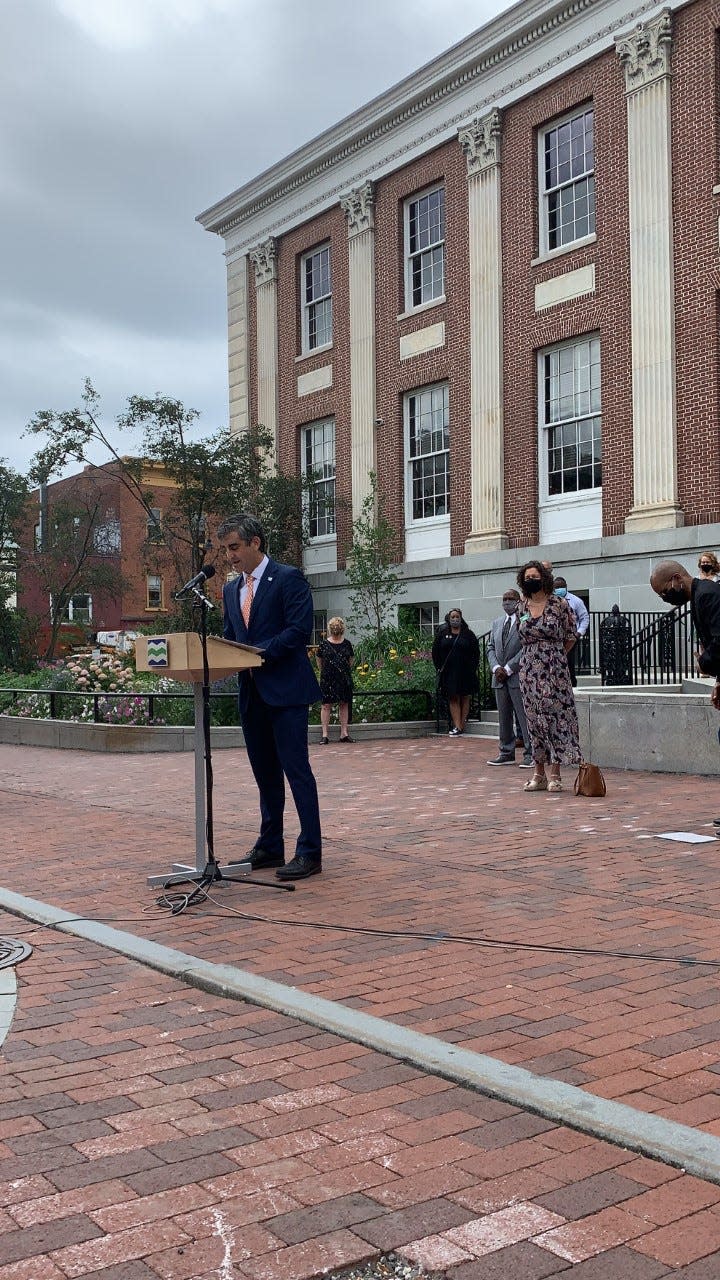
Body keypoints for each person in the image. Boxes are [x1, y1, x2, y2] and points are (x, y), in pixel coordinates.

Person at [217, 513, 323, 881]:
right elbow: (230, 634)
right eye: (225, 549)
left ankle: (310, 851)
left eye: (234, 547)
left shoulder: (288, 578)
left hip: (287, 692)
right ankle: (270, 845)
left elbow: (298, 631)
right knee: (264, 773)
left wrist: (256, 653)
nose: (229, 556)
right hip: (252, 694)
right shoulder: (231, 590)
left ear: (255, 543)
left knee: (297, 772)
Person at [516, 560, 582, 793]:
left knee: (556, 720)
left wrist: (556, 655)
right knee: (534, 721)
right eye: (526, 577)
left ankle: (556, 774)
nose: (530, 580)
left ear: (543, 578)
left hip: (554, 670)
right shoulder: (521, 606)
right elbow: (520, 635)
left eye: (534, 576)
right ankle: (538, 773)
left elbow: (571, 634)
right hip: (529, 671)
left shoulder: (559, 604)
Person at [486, 588, 532, 766]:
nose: (507, 602)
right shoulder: (497, 622)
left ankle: (530, 753)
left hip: (516, 676)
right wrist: (496, 667)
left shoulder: (525, 620)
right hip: (499, 678)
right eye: (504, 599)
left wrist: (508, 668)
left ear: (519, 601)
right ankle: (506, 751)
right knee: (504, 717)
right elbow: (490, 647)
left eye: (510, 599)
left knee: (523, 717)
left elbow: (527, 646)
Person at [432, 608, 480, 735]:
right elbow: (435, 652)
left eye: (457, 617)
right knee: (453, 698)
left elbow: (476, 653)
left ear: (461, 618)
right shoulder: (442, 634)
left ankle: (461, 725)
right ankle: (457, 726)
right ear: (448, 618)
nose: (455, 619)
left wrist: (472, 668)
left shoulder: (468, 634)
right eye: (452, 617)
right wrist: (438, 667)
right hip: (449, 673)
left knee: (465, 697)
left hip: (465, 672)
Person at [316, 617, 354, 743]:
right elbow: (350, 663)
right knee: (330, 705)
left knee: (339, 704)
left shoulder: (345, 644)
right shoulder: (325, 645)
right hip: (331, 678)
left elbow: (319, 663)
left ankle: (339, 733)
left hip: (337, 678)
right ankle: (330, 734)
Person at [553, 576, 589, 687]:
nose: (560, 589)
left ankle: (572, 685)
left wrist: (579, 633)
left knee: (568, 662)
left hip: (571, 637)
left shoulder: (576, 601)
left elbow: (584, 618)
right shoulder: (551, 601)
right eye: (557, 587)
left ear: (566, 587)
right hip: (555, 638)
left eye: (562, 586)